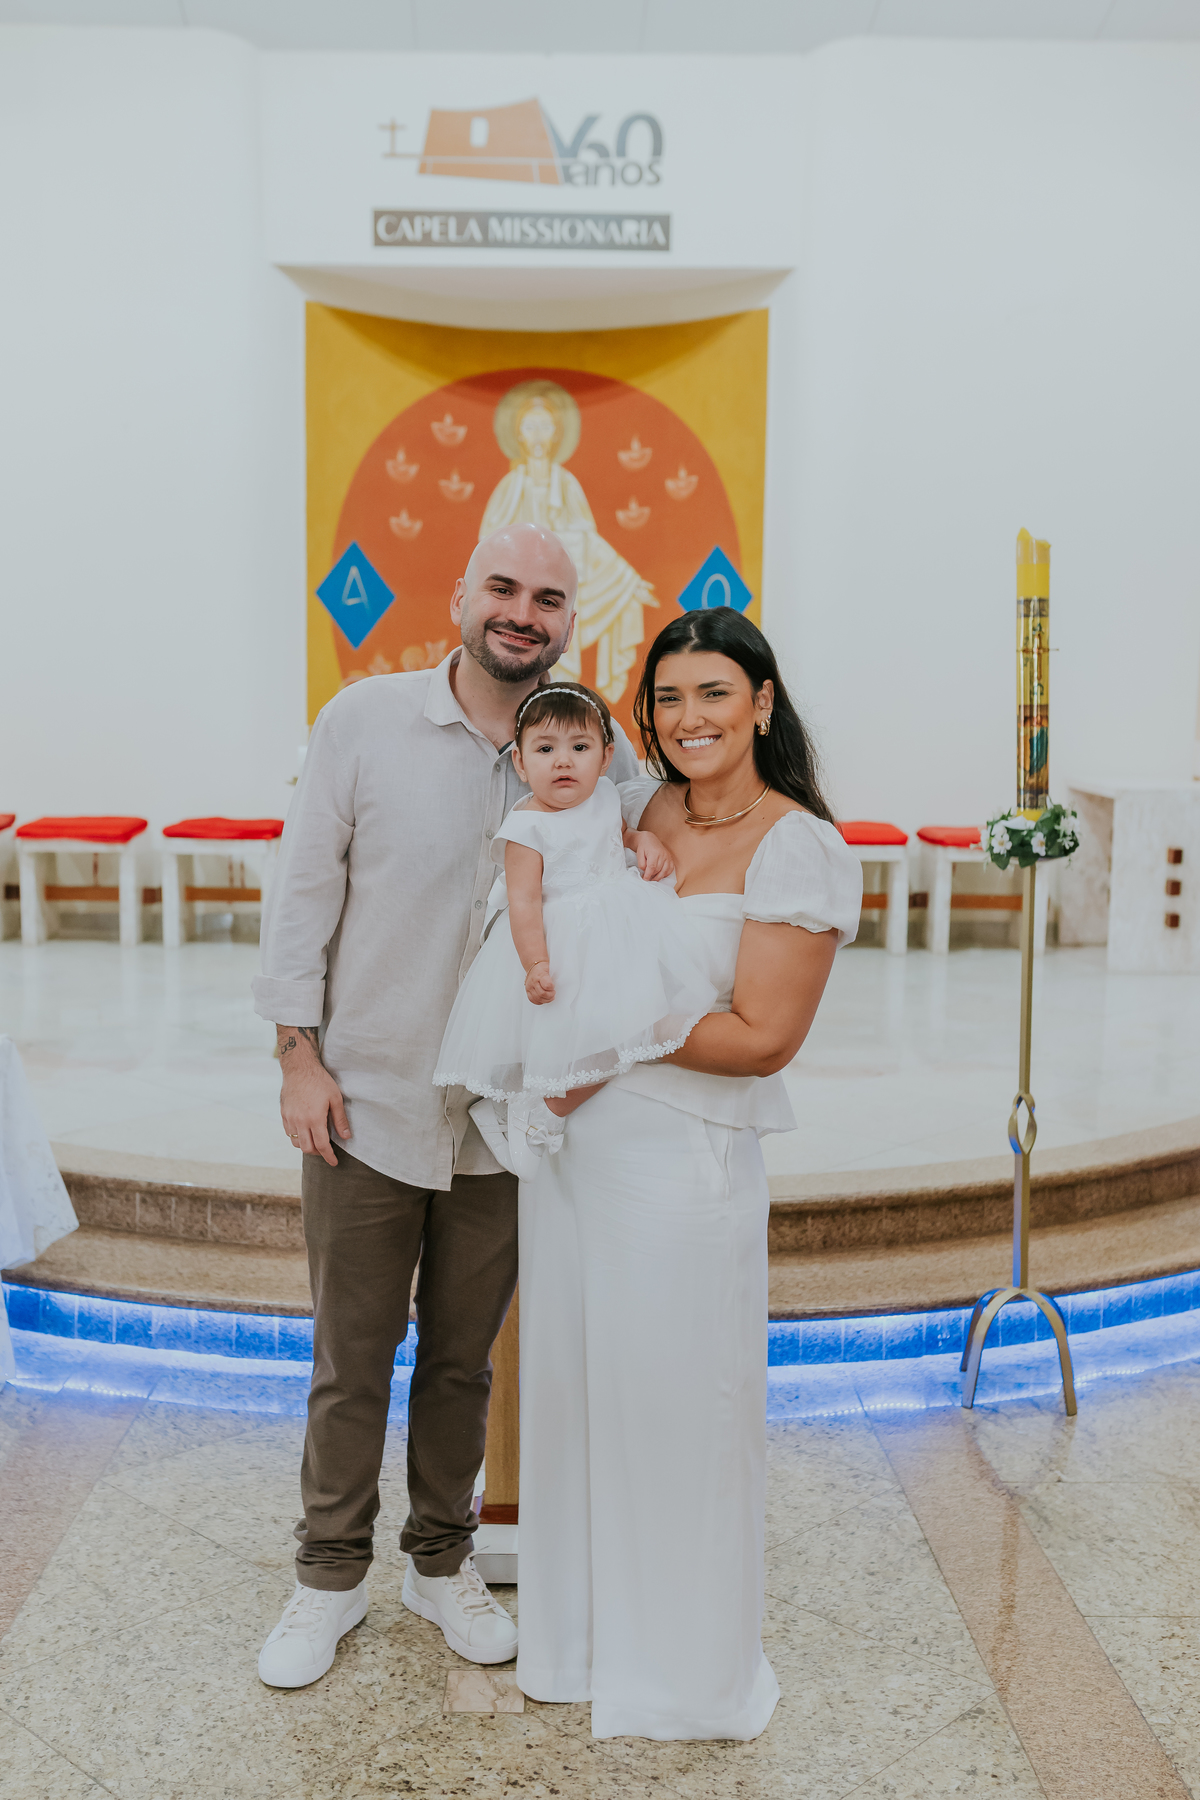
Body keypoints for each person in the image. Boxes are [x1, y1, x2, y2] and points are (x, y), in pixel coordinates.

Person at [251, 522, 640, 1689]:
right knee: (352, 1354)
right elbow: (304, 889)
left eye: (552, 599)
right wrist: (296, 1056)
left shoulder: (595, 755)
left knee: (463, 1359)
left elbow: (645, 864)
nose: (525, 612)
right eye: (506, 589)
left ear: (576, 621)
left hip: (501, 1115)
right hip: (366, 1096)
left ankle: (437, 1562)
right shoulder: (365, 721)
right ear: (463, 595)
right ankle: (326, 1581)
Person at [515, 606, 863, 1741]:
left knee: (677, 1412)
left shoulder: (797, 843)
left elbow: (761, 1037)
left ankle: (683, 1673)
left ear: (762, 701)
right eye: (668, 698)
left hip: (681, 1166)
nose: (689, 717)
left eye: (714, 693)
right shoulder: (647, 808)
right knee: (581, 1393)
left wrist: (609, 1031)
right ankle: (580, 1647)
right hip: (579, 1154)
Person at [432, 681, 717, 1178]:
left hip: (619, 927)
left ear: (606, 758)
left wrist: (642, 837)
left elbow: (616, 835)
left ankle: (540, 1109)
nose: (563, 762)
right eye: (545, 750)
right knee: (584, 1039)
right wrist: (536, 963)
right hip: (562, 941)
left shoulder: (606, 796)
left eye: (579, 748)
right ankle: (537, 1110)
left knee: (641, 1025)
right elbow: (522, 901)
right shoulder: (526, 826)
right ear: (521, 763)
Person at [478, 381, 656, 705]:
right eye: (530, 426)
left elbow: (589, 540)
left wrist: (627, 580)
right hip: (516, 602)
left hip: (554, 601)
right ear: (518, 433)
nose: (537, 435)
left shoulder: (567, 484)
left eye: (544, 426)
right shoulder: (510, 487)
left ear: (556, 433)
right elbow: (486, 549)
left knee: (560, 669)